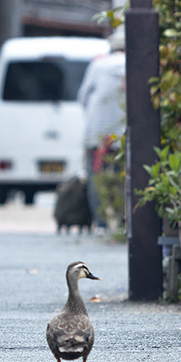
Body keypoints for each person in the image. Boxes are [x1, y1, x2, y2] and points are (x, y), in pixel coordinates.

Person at [77, 27, 126, 228]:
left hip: (96, 134)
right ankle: (123, 219)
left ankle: (101, 222)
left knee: (96, 179)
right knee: (123, 177)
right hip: (124, 135)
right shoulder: (134, 64)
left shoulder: (97, 65)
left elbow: (82, 98)